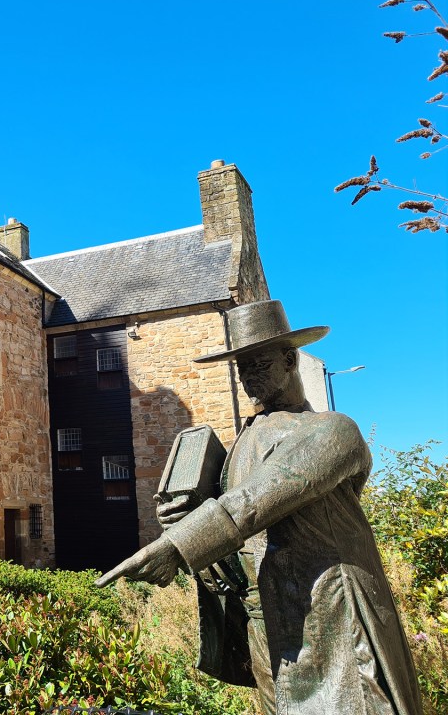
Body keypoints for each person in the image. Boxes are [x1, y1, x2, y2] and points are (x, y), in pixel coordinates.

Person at [98, 300, 422, 715]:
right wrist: (183, 514)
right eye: (241, 368)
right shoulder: (243, 444)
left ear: (290, 360)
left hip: (333, 620)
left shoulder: (334, 430)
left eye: (259, 364)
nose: (248, 377)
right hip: (267, 627)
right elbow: (239, 530)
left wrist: (181, 544)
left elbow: (264, 496)